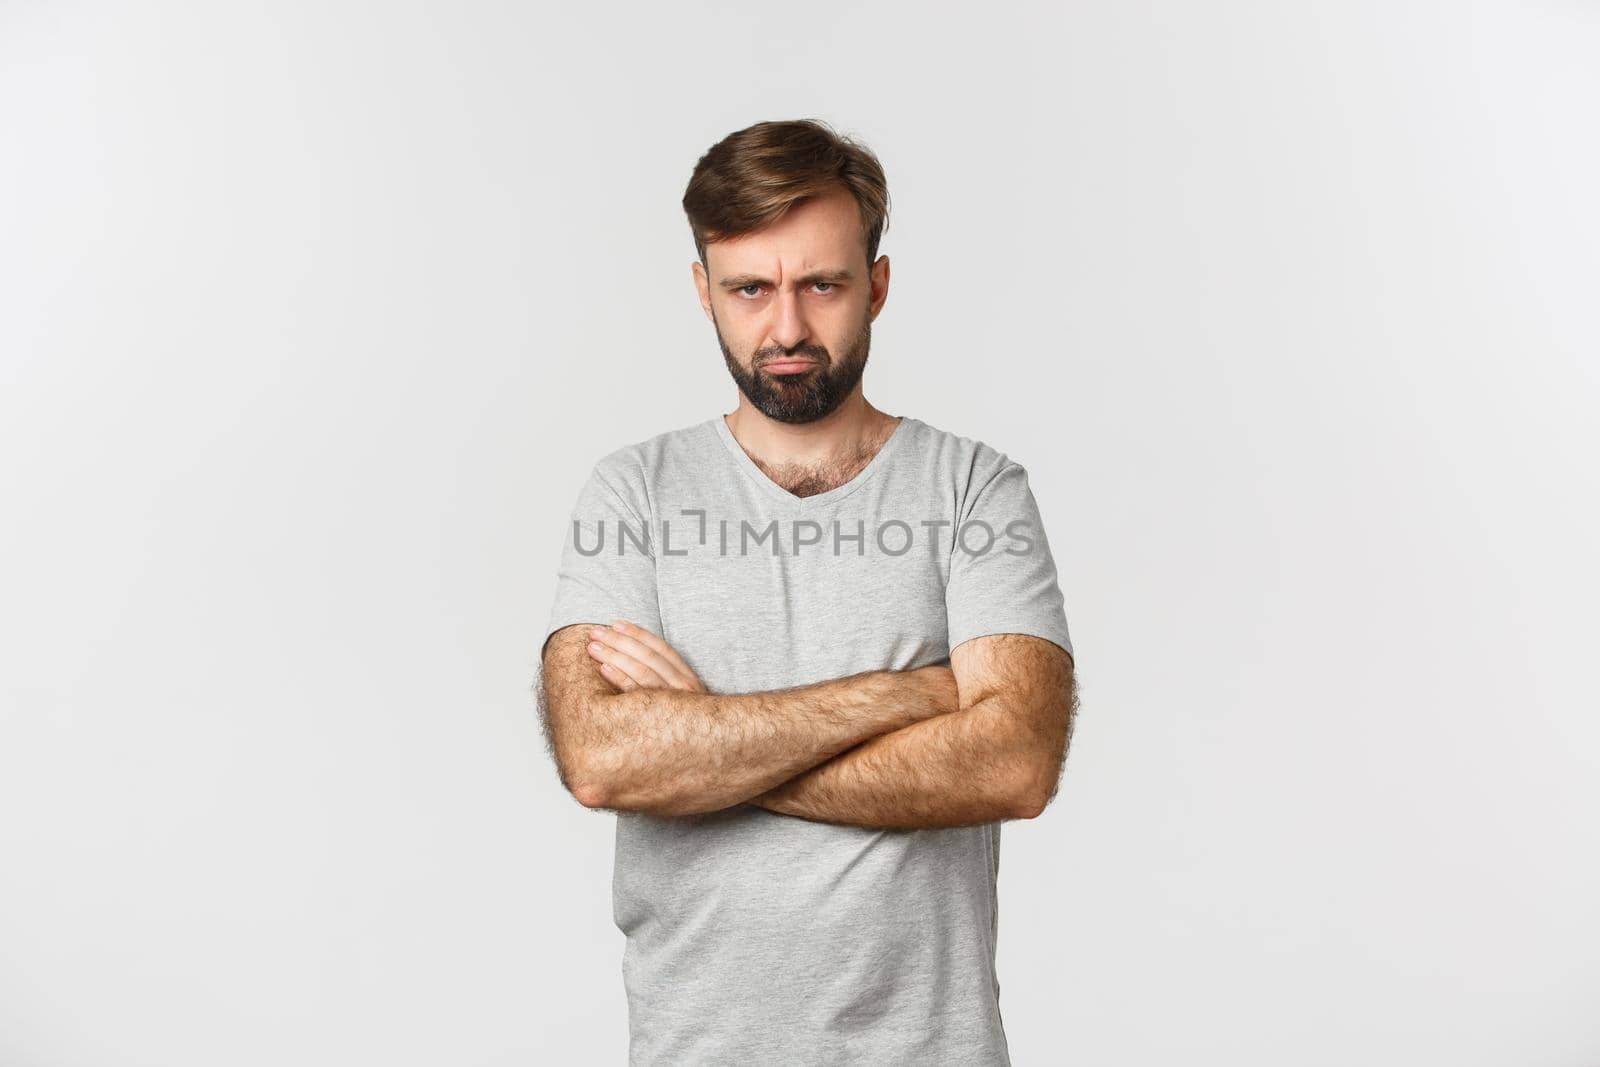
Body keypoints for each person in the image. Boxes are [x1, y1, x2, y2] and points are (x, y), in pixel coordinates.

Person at [538, 117, 1078, 1066]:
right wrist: (914, 692)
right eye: (750, 289)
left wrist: (708, 743)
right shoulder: (633, 493)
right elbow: (602, 757)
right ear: (703, 290)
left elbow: (1013, 762)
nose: (786, 328)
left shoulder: (973, 490)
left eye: (821, 284)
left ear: (876, 284)